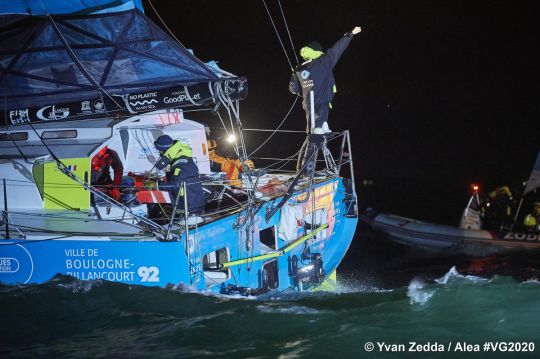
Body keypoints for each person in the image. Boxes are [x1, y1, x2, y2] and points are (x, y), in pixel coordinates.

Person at [289, 26, 362, 135]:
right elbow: (337, 49)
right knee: (322, 110)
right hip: (322, 100)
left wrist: (303, 92)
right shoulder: (324, 62)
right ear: (318, 51)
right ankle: (319, 126)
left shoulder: (299, 69)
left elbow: (293, 88)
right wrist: (351, 34)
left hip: (308, 102)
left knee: (312, 121)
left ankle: (321, 125)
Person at [154, 135, 205, 213]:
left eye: (160, 150)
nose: (159, 153)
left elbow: (176, 185)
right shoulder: (179, 157)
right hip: (191, 202)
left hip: (188, 206)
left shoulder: (181, 163)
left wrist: (157, 185)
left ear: (164, 150)